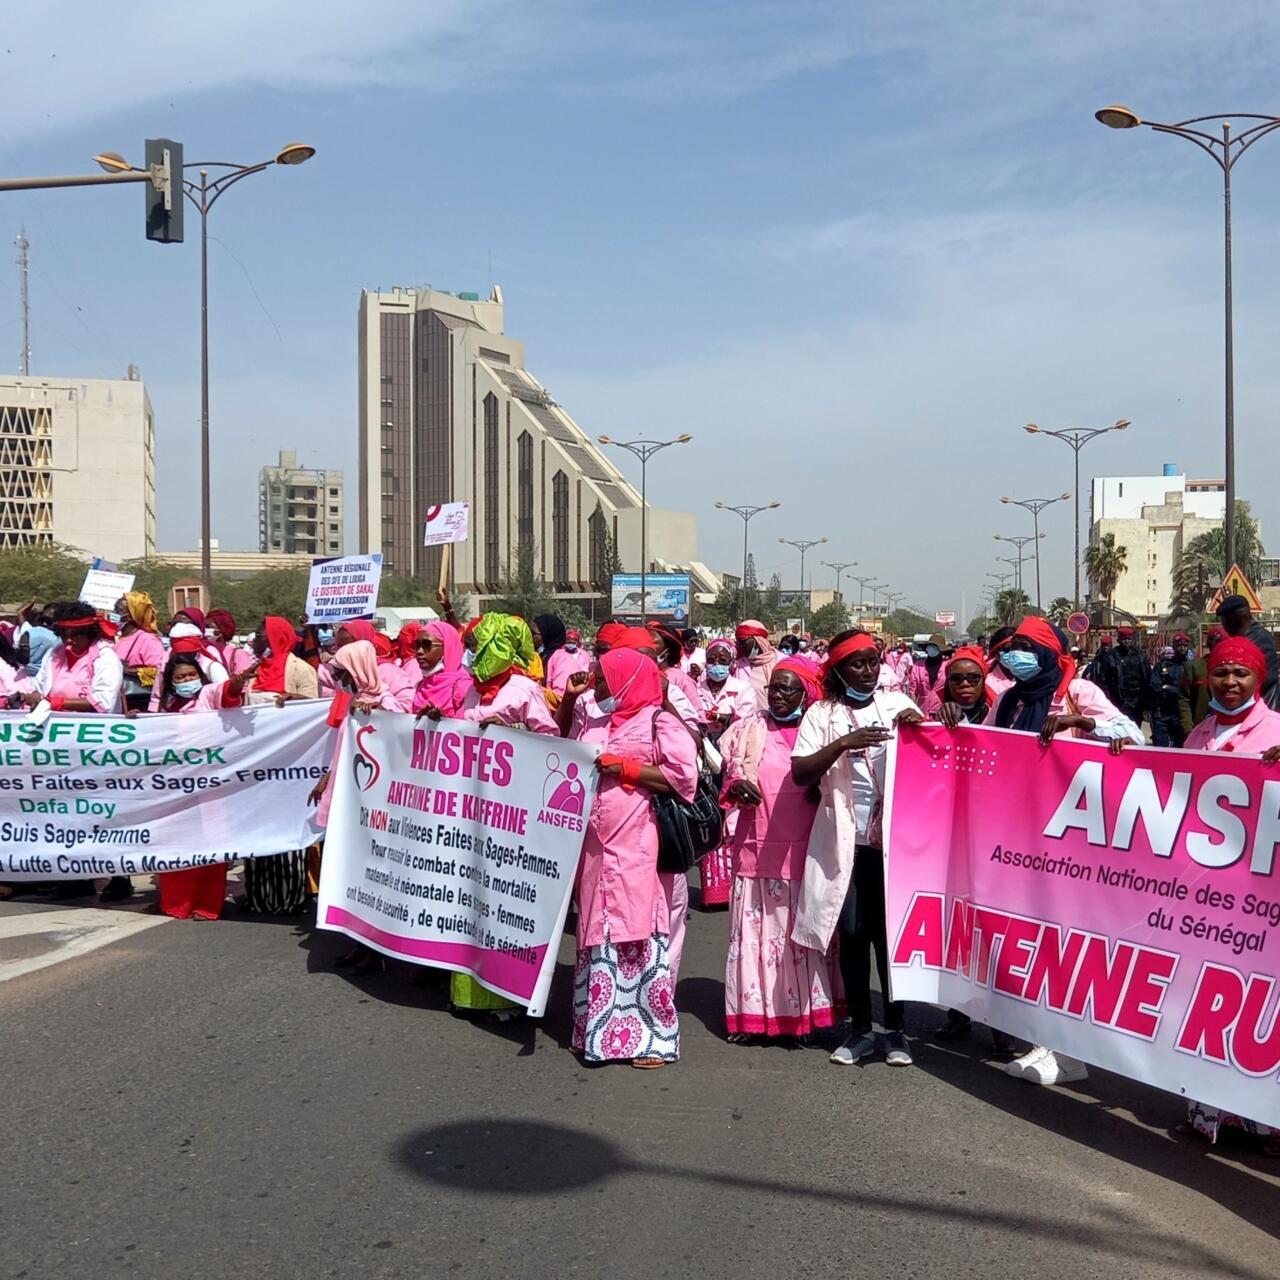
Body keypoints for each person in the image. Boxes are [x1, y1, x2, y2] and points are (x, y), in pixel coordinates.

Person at [983, 617, 1144, 1086]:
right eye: (1012, 648)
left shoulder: (1080, 691)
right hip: (1021, 836)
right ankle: (1052, 1046)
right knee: (1032, 937)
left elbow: (1135, 736)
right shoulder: (1011, 701)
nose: (1016, 656)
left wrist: (1082, 723)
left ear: (1052, 653)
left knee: (1063, 937)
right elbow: (989, 748)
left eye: (1028, 647)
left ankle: (1062, 1047)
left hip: (1070, 840)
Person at [791, 630, 924, 1068]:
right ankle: (861, 1030)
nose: (866, 672)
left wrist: (922, 729)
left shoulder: (898, 705)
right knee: (850, 934)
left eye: (871, 662)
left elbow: (935, 756)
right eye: (856, 664)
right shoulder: (821, 714)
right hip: (844, 841)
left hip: (893, 845)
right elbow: (801, 774)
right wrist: (842, 744)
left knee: (890, 938)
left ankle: (896, 1030)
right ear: (837, 671)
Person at [572, 647, 698, 1067]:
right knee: (598, 932)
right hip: (595, 852)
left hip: (638, 845)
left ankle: (650, 1039)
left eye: (604, 680)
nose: (597, 687)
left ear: (625, 681)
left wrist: (623, 769)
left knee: (637, 932)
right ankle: (598, 1034)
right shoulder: (596, 722)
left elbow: (683, 778)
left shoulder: (660, 722)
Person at [1179, 634, 1280, 1153]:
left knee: (1261, 1002)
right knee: (1210, 997)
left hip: (1261, 897)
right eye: (1222, 673)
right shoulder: (1199, 734)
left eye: (1241, 674)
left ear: (1258, 679)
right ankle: (1211, 1112)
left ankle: (1267, 1122)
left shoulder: (1276, 732)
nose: (1231, 683)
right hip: (1206, 896)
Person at [720, 657, 841, 1042]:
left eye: (789, 689)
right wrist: (736, 786)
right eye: (775, 687)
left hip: (808, 852)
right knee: (758, 936)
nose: (780, 695)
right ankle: (754, 1015)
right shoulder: (746, 731)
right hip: (758, 852)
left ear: (806, 694)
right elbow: (730, 775)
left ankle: (804, 1016)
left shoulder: (819, 734)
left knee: (800, 935)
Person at [931, 646, 1017, 1058]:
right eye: (956, 679)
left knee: (994, 930)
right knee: (957, 926)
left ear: (985, 681)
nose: (964, 686)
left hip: (997, 838)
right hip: (953, 836)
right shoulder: (936, 717)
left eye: (973, 679)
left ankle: (1001, 1024)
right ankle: (959, 1009)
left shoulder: (1006, 714)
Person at [22, 602, 127, 901]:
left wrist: (56, 703)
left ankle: (120, 876)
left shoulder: (105, 657)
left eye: (76, 636)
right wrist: (37, 699)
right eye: (64, 635)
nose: (69, 641)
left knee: (106, 813)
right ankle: (77, 876)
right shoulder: (56, 656)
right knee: (69, 813)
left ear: (90, 632)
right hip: (60, 749)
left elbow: (102, 702)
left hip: (97, 747)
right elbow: (41, 690)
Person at [148, 653, 261, 920]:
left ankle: (207, 905)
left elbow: (228, 691)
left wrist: (238, 680)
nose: (187, 680)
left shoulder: (208, 694)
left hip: (209, 781)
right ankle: (174, 903)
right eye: (180, 677)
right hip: (175, 782)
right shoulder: (167, 703)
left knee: (210, 840)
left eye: (191, 675)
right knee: (175, 842)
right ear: (171, 682)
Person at [1215, 594, 1279, 709]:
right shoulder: (1250, 636)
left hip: (1262, 713)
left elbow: (1262, 681)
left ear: (1232, 621)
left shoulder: (1257, 639)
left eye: (1224, 621)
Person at [112, 591, 167, 712]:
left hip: (136, 705)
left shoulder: (148, 640)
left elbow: (161, 673)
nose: (113, 614)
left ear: (131, 614)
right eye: (114, 609)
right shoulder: (114, 638)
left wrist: (128, 670)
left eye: (118, 610)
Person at [410, 620, 473, 718]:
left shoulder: (463, 686)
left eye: (427, 645)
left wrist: (443, 721)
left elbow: (470, 728)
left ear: (447, 648)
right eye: (417, 645)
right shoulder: (421, 686)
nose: (419, 651)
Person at [698, 638, 756, 734]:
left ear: (731, 663)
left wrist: (711, 715)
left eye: (722, 660)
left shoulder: (744, 689)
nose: (716, 664)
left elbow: (744, 720)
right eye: (711, 660)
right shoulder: (696, 689)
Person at [1179, 628, 1217, 737]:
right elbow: (1184, 700)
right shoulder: (1194, 667)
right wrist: (1188, 729)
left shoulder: (1234, 669)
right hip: (1199, 730)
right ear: (1209, 644)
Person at [732, 620, 777, 710]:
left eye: (742, 641)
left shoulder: (779, 661)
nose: (739, 646)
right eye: (737, 642)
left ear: (758, 640)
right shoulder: (736, 666)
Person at [1150, 640, 1187, 747]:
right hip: (1162, 711)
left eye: (1184, 645)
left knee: (1180, 747)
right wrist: (1169, 689)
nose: (1182, 648)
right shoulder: (1163, 666)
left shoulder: (1190, 666)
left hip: (1181, 711)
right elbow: (1155, 685)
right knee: (1161, 746)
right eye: (1179, 645)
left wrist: (1171, 688)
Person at [546, 624, 592, 697]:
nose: (570, 644)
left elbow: (589, 673)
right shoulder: (557, 654)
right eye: (569, 642)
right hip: (558, 694)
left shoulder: (584, 655)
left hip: (579, 696)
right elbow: (549, 675)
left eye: (573, 643)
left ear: (578, 643)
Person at [207, 609, 255, 675]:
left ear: (221, 630)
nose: (206, 630)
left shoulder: (238, 654)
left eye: (209, 627)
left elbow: (244, 683)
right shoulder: (203, 653)